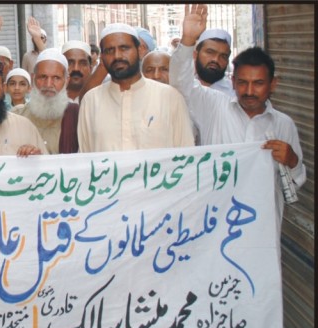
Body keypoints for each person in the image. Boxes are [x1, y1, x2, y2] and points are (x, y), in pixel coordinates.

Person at [169, 4, 306, 243]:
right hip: (213, 226)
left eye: (258, 83)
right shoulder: (214, 106)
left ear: (273, 84)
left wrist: (292, 160)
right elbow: (180, 84)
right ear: (232, 82)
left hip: (262, 232)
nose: (249, 91)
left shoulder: (284, 124)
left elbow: (297, 180)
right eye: (242, 82)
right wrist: (188, 40)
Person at [78, 23, 194, 152]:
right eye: (109, 50)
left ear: (139, 51)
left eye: (124, 48)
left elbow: (186, 155)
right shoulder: (90, 101)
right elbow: (86, 157)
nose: (117, 56)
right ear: (103, 58)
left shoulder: (170, 97)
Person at [12, 48, 79, 154]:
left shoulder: (77, 117)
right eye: (42, 77)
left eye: (56, 78)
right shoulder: (16, 117)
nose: (48, 84)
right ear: (33, 78)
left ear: (66, 81)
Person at [192, 28, 234, 95]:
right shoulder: (185, 87)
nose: (216, 59)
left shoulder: (235, 92)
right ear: (195, 55)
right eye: (210, 52)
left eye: (223, 56)